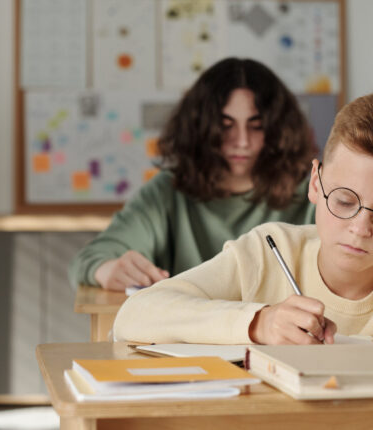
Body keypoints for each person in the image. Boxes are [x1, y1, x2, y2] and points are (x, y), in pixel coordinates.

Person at [113, 91, 373, 352]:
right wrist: (258, 323)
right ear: (315, 183)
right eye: (345, 200)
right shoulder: (268, 250)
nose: (360, 228)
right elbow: (136, 315)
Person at [69, 58, 317, 291]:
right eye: (225, 125)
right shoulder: (168, 191)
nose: (241, 141)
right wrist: (110, 269)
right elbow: (90, 259)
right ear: (201, 127)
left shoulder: (310, 195)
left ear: (277, 131)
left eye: (256, 126)